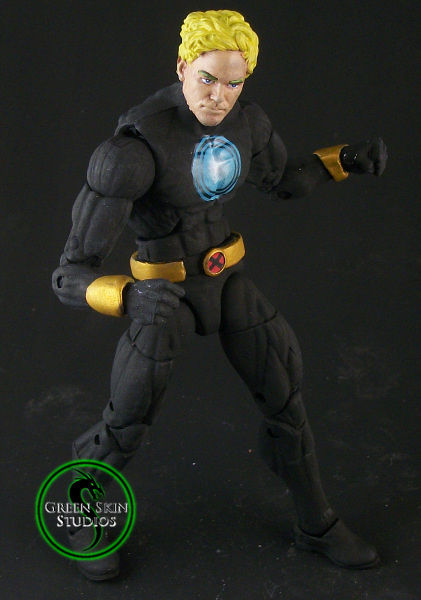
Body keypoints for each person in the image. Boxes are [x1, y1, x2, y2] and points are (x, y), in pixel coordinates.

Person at [52, 9, 387, 581]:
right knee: (129, 415)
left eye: (234, 83)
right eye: (208, 78)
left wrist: (345, 160)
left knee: (285, 395)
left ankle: (317, 523)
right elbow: (68, 275)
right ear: (182, 67)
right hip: (163, 292)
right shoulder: (134, 149)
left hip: (226, 278)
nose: (219, 96)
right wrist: (129, 296)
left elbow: (284, 181)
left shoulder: (246, 123)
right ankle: (84, 514)